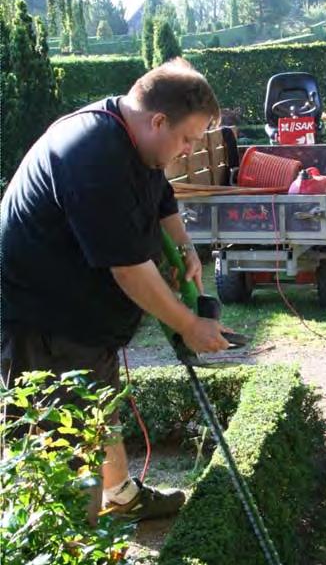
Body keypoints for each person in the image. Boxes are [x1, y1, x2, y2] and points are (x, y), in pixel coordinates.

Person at [1, 57, 230, 522]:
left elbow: (160, 195)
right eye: (187, 139)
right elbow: (128, 270)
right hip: (40, 319)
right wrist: (188, 325)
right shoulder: (92, 153)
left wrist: (182, 246)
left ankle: (121, 496)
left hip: (80, 314)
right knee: (65, 447)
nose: (187, 152)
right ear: (158, 120)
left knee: (99, 405)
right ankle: (72, 558)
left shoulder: (138, 141)